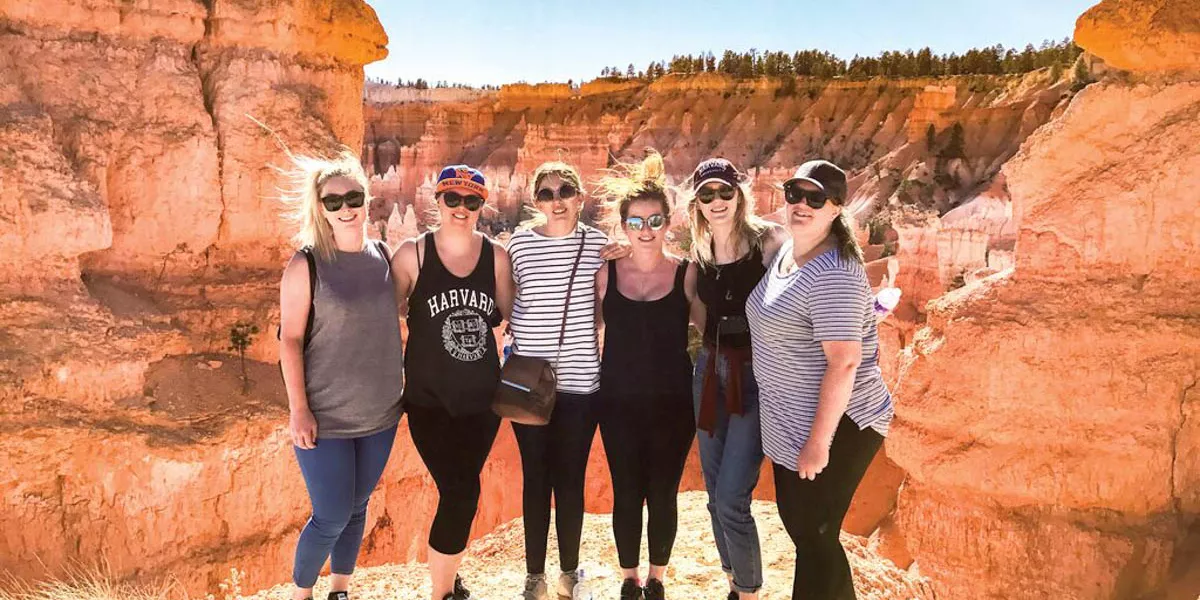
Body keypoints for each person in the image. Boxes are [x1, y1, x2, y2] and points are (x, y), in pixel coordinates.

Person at [745, 160, 894, 600]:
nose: (802, 205)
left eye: (816, 198)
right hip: (795, 420)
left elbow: (844, 363)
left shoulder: (833, 271)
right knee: (810, 533)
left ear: (836, 208)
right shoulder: (789, 253)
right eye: (795, 194)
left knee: (814, 533)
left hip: (841, 423)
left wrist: (818, 443)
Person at [278, 150, 403, 600]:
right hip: (325, 418)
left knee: (356, 508)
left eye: (354, 197)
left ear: (368, 199)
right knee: (330, 513)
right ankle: (301, 594)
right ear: (321, 209)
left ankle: (341, 589)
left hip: (381, 414)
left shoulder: (385, 256)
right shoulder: (306, 265)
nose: (346, 208)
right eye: (334, 202)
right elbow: (289, 340)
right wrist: (299, 410)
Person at [391, 165, 515, 600]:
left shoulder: (496, 258)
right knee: (462, 489)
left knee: (461, 488)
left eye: (472, 201)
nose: (462, 209)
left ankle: (449, 575)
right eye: (453, 199)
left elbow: (511, 317)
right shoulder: (412, 255)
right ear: (437, 201)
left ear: (482, 206)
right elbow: (381, 319)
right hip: (429, 402)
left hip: (483, 404)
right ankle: (441, 593)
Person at [507, 162, 625, 600]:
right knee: (534, 478)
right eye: (545, 193)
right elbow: (507, 302)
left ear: (579, 198)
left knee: (570, 479)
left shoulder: (598, 245)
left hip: (579, 383)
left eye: (564, 191)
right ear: (535, 201)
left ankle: (569, 574)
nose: (555, 200)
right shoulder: (518, 245)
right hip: (528, 384)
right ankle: (534, 576)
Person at [594, 150, 701, 600]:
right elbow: (585, 329)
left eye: (654, 221)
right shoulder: (605, 272)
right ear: (623, 226)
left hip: (673, 407)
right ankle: (629, 578)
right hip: (616, 402)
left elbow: (712, 329)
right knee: (625, 491)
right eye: (635, 222)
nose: (645, 231)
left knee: (662, 493)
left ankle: (656, 579)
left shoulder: (687, 274)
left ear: (668, 222)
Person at [683, 158, 786, 600]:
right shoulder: (700, 254)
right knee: (712, 493)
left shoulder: (768, 244)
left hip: (756, 376)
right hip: (710, 370)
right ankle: (733, 582)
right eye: (707, 195)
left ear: (739, 195)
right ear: (697, 204)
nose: (717, 201)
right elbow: (695, 310)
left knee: (731, 498)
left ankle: (748, 592)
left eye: (725, 192)